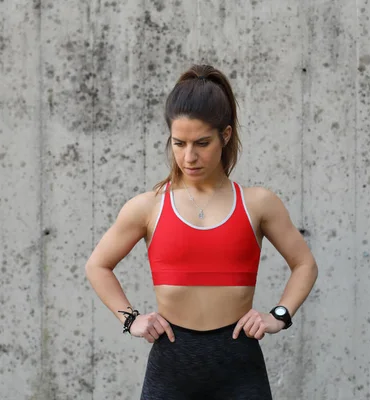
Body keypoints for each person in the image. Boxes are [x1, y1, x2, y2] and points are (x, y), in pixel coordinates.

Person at [85, 64, 318, 400]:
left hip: (240, 367)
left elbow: (305, 264)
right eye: (179, 143)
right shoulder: (148, 206)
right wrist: (131, 319)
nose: (189, 157)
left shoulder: (258, 203)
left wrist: (279, 315)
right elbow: (97, 265)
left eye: (202, 143)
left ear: (225, 135)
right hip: (171, 367)